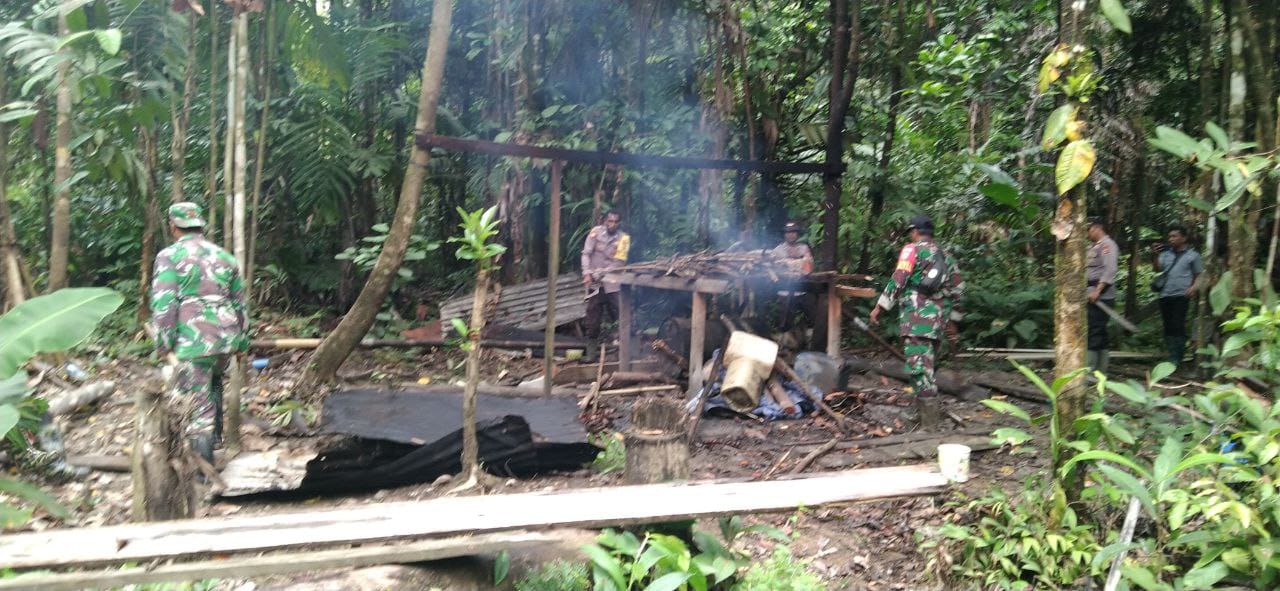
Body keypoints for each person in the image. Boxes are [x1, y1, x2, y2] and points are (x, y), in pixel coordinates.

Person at [149, 202, 249, 462]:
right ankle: (215, 443)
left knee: (198, 403)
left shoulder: (169, 256)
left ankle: (204, 475)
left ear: (174, 227)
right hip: (226, 338)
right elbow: (240, 304)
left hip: (195, 340)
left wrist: (163, 344)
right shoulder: (225, 257)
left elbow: (164, 304)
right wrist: (242, 342)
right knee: (213, 385)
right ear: (200, 225)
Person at [870, 215, 963, 429]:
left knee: (919, 370)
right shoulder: (946, 256)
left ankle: (930, 426)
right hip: (938, 321)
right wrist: (953, 321)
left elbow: (899, 278)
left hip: (916, 319)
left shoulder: (912, 249)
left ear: (914, 231)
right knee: (926, 368)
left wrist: (880, 306)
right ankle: (916, 414)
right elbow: (958, 290)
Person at [580, 210, 631, 361]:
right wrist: (587, 273)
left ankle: (629, 350)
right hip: (596, 285)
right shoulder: (595, 233)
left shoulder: (624, 239)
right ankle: (591, 354)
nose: (612, 224)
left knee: (623, 314)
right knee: (593, 318)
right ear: (604, 221)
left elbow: (619, 262)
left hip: (613, 283)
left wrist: (602, 272)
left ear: (619, 223)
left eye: (616, 222)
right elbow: (586, 253)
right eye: (610, 221)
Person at [1153, 225, 1203, 365]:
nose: (1171, 239)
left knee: (1178, 324)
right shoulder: (1165, 254)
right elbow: (1157, 268)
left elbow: (1199, 274)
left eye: (1174, 236)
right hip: (1165, 294)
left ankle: (1177, 356)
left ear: (1184, 238)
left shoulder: (1193, 255)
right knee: (1168, 325)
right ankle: (1171, 354)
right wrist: (1155, 254)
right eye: (1170, 237)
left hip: (1182, 295)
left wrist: (1194, 287)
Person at [1086, 219, 1119, 373]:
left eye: (1089, 229)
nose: (1087, 233)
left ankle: (1090, 371)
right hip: (1092, 293)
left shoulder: (1107, 245)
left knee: (1095, 331)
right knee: (1098, 332)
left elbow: (1110, 270)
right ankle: (1100, 371)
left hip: (1101, 296)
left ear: (1097, 228)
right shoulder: (1094, 246)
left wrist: (1098, 290)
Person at [772, 220, 816, 335]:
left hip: (803, 290)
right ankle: (783, 346)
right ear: (784, 234)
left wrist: (790, 264)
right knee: (785, 323)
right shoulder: (778, 250)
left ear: (797, 234)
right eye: (788, 232)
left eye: (793, 232)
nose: (791, 234)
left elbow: (809, 266)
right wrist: (798, 263)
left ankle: (809, 342)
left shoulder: (803, 248)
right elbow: (775, 268)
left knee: (812, 317)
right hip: (785, 291)